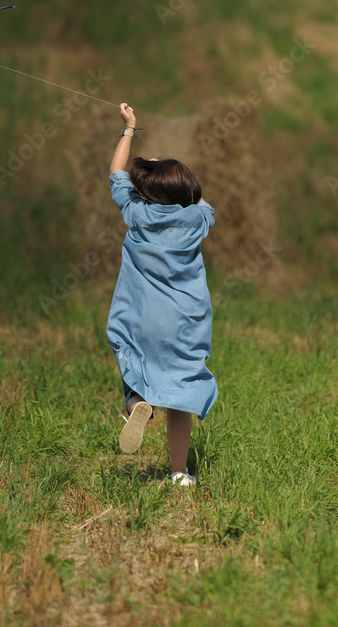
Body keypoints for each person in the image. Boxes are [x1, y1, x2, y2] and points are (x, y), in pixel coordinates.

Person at [106, 102, 217, 486]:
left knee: (135, 367)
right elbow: (200, 200)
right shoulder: (197, 219)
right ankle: (178, 473)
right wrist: (174, 177)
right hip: (183, 323)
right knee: (180, 398)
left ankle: (138, 403)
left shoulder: (137, 213)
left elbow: (116, 173)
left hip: (141, 319)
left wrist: (130, 128)